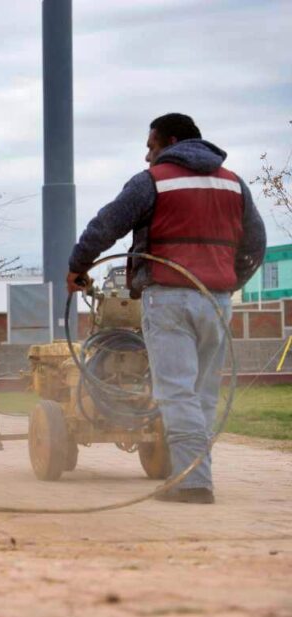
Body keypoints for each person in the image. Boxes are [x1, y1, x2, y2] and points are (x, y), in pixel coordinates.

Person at [67, 113, 266, 504]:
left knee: (176, 394)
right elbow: (255, 245)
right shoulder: (233, 184)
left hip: (168, 297)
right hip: (217, 301)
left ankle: (192, 483)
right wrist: (226, 281)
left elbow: (105, 226)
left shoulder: (153, 181)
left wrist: (77, 266)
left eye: (151, 146)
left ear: (171, 142)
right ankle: (194, 474)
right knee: (203, 393)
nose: (146, 156)